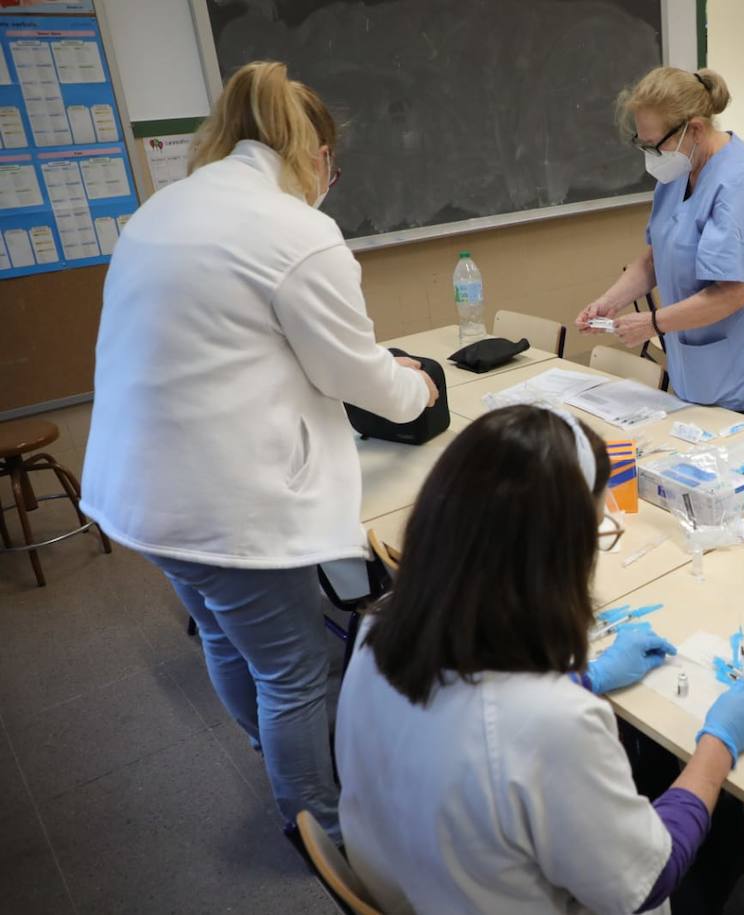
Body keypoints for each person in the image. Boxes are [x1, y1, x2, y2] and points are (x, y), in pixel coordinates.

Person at [80, 61, 437, 844]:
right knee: (298, 670)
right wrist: (418, 392)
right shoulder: (296, 229)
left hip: (137, 490)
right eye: (330, 169)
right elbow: (350, 370)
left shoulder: (164, 208)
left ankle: (274, 757)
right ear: (314, 155)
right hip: (220, 501)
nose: (327, 184)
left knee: (223, 634)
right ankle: (323, 828)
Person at [336, 405, 744, 914]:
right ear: (558, 552)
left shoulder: (380, 624)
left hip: (415, 881)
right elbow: (649, 881)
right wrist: (718, 746)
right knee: (729, 833)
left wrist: (588, 677)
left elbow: (486, 720)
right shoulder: (553, 725)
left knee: (647, 763)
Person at [575, 67, 744, 418]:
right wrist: (609, 302)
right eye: (642, 143)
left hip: (740, 369)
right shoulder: (678, 172)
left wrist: (653, 323)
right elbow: (653, 259)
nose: (650, 155)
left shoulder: (739, 186)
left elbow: (735, 292)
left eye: (654, 144)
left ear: (693, 129)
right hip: (694, 361)